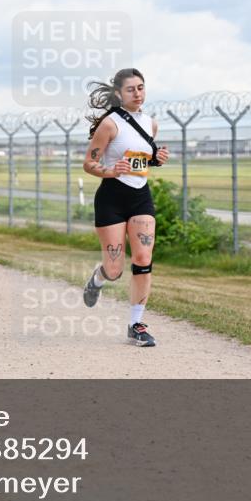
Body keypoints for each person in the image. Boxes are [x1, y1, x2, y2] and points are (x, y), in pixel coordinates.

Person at [80, 68, 170, 347]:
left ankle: (136, 324)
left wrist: (157, 159)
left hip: (140, 197)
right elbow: (89, 164)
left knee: (143, 257)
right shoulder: (110, 124)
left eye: (141, 87)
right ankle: (98, 278)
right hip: (111, 199)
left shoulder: (151, 124)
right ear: (119, 94)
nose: (138, 93)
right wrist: (110, 170)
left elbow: (141, 160)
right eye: (131, 89)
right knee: (115, 268)